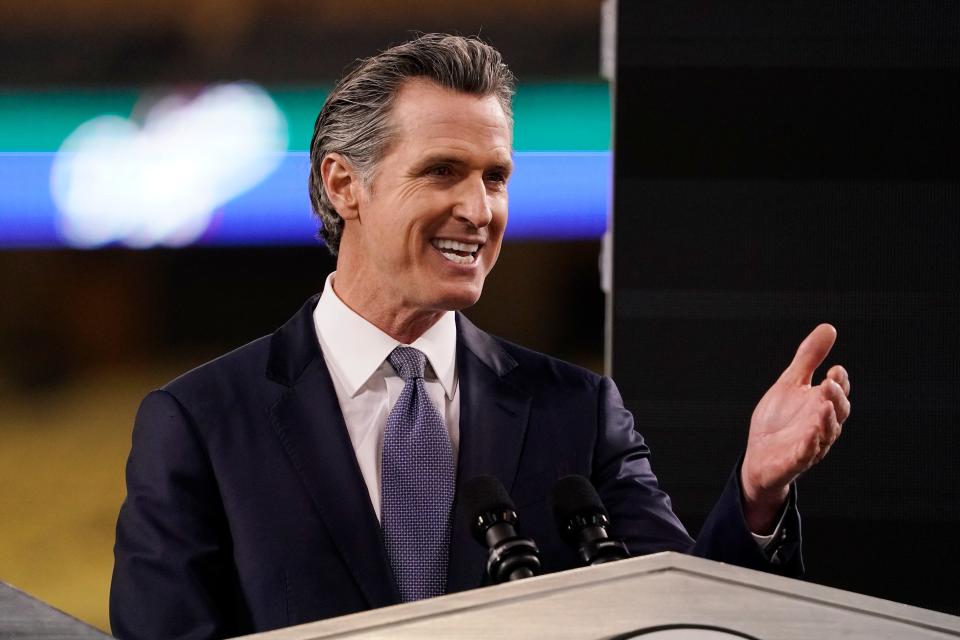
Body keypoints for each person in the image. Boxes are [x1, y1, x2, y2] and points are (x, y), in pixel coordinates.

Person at [110, 34, 851, 639]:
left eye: (495, 177)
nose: (478, 208)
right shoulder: (202, 422)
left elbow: (687, 625)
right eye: (442, 172)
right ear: (344, 185)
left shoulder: (576, 410)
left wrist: (757, 494)